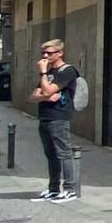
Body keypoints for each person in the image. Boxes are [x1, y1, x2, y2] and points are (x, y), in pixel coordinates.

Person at [28, 39, 79, 202]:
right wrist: (45, 96)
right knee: (51, 154)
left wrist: (43, 74)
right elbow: (33, 96)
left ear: (60, 53)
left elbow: (48, 90)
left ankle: (70, 189)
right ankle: (54, 189)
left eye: (49, 53)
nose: (45, 56)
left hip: (59, 117)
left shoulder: (67, 71)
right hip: (45, 116)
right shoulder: (50, 72)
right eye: (43, 53)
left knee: (64, 153)